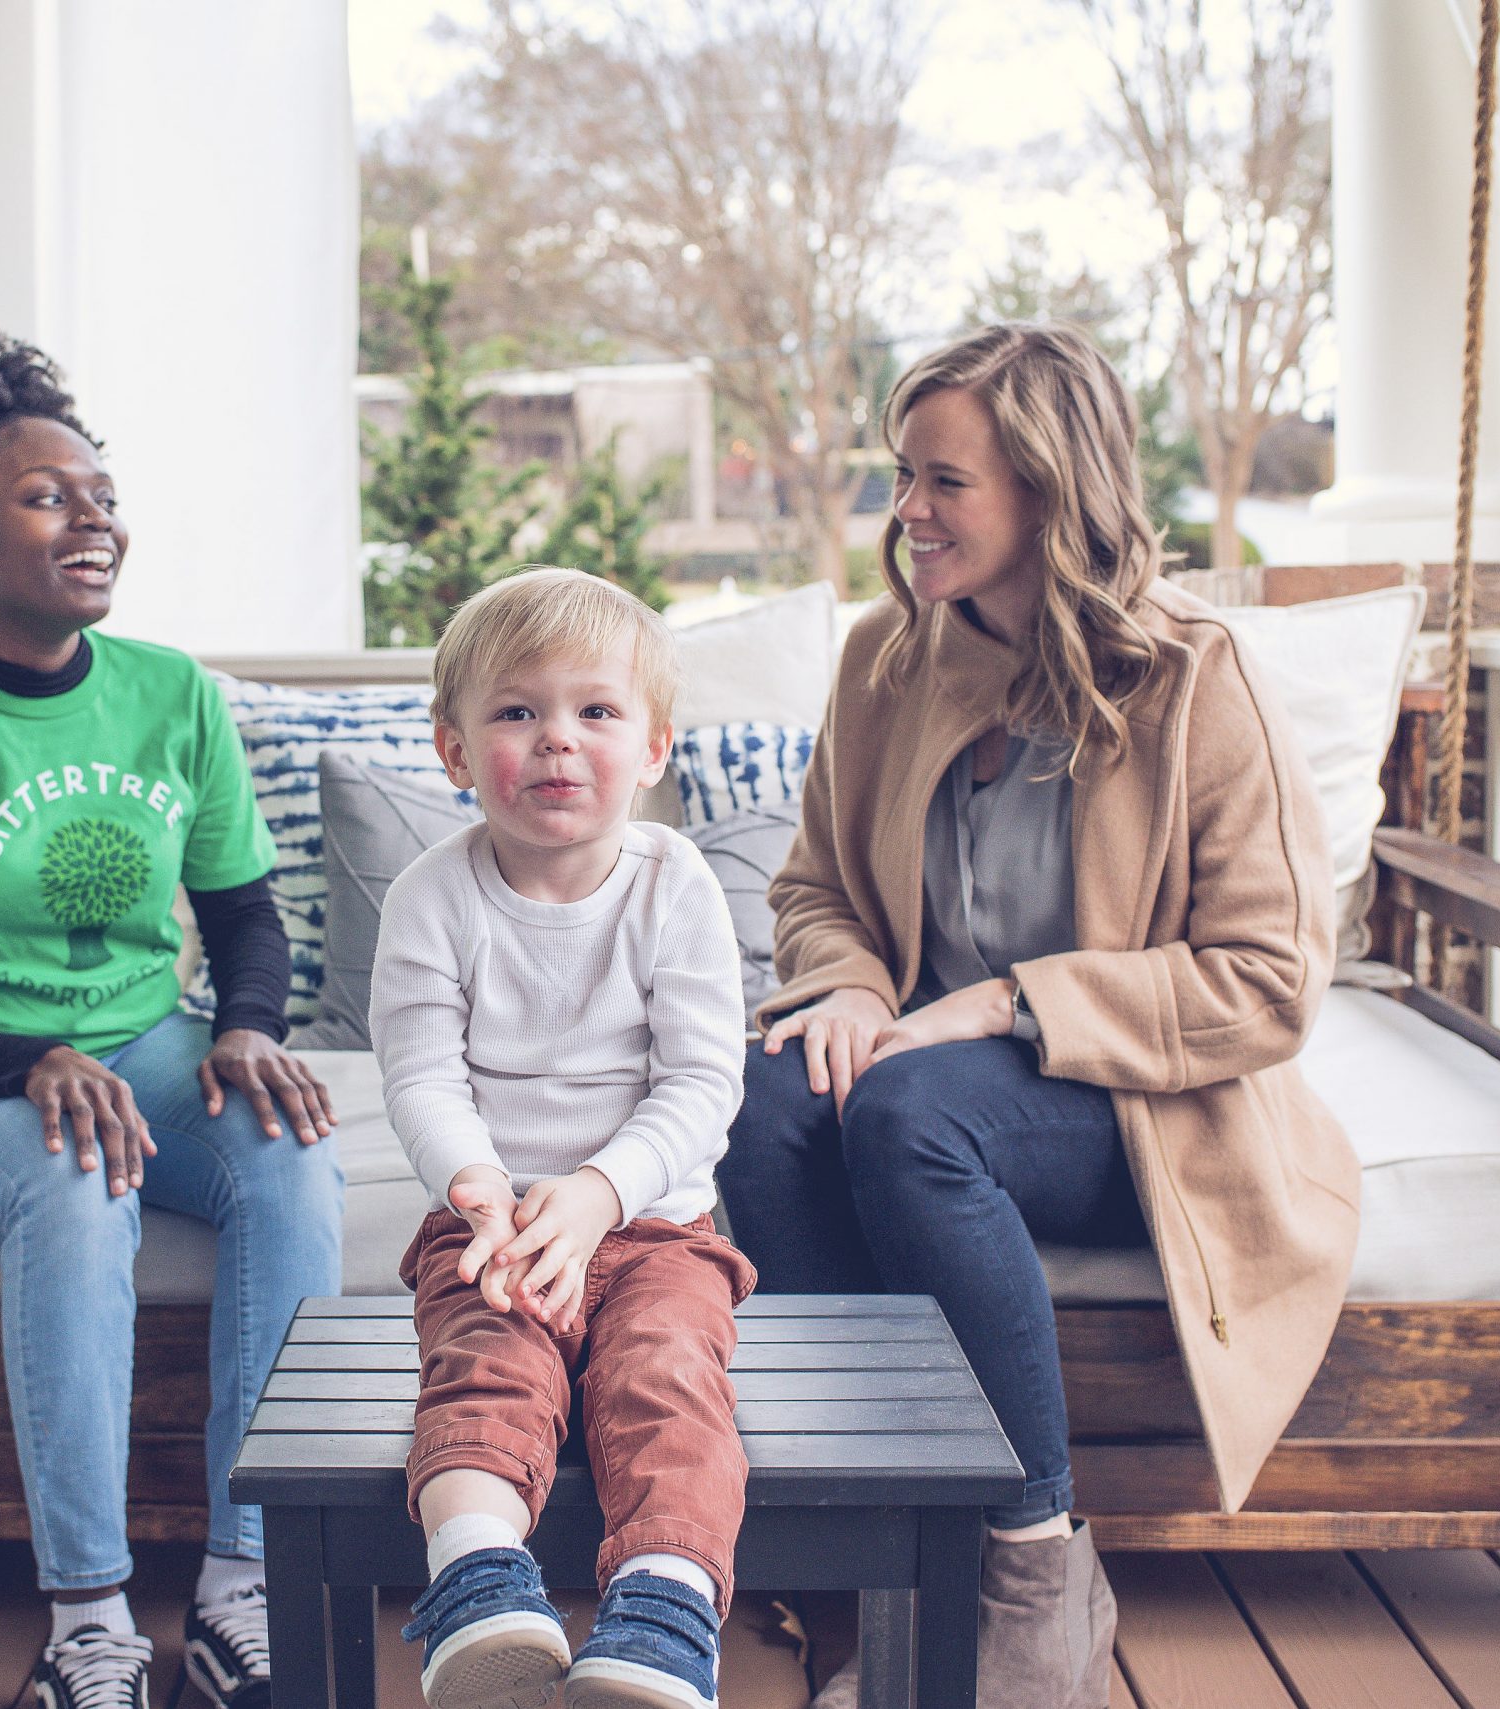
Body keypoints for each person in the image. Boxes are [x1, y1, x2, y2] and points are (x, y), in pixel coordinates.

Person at [718, 323, 1357, 1709]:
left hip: (1146, 1112)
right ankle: (855, 1571)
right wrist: (848, 985)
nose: (909, 513)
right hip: (922, 1075)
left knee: (903, 1111)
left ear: (1050, 492)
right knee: (766, 1098)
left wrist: (1006, 1002)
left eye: (945, 481)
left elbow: (1266, 979)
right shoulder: (888, 656)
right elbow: (815, 882)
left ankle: (1034, 1560)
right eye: (903, 476)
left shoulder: (1195, 679)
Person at [0, 324, 344, 1709]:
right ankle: (90, 1623)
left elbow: (241, 916)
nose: (93, 518)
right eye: (51, 497)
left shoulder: (172, 694)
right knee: (77, 1176)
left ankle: (242, 1582)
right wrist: (29, 1057)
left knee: (288, 1157)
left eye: (102, 495)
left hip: (144, 1049)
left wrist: (246, 1028)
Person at [369, 569, 753, 1709]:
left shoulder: (674, 883)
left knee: (667, 1377)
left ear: (653, 750)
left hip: (654, 1229)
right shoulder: (432, 896)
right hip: (493, 1222)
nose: (555, 741)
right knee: (484, 1365)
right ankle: (480, 1584)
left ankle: (664, 1606)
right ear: (452, 749)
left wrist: (596, 1195)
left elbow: (699, 1080)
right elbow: (423, 1071)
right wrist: (480, 1189)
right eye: (515, 710)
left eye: (595, 711)